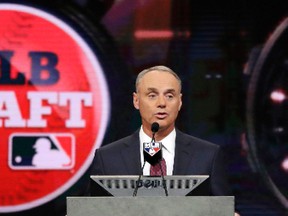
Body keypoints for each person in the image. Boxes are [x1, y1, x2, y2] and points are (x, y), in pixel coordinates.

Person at [89, 65, 240, 215]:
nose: (162, 103)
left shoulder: (208, 156)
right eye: (152, 95)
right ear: (136, 101)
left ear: (179, 102)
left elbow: (223, 209)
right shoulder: (108, 158)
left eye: (169, 96)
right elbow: (90, 210)